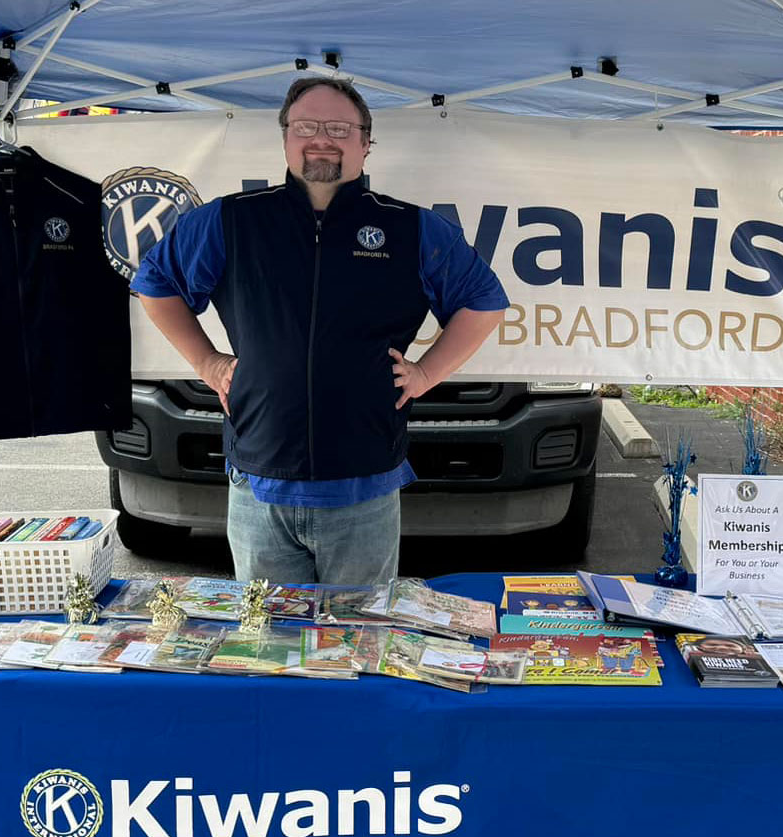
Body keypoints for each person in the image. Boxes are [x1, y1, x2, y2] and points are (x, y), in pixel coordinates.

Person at [132, 78, 508, 585]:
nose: (322, 138)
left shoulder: (410, 228)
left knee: (358, 642)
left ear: (366, 142)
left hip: (364, 487)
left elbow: (483, 302)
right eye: (306, 126)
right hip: (259, 483)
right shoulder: (232, 221)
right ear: (286, 137)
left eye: (339, 128)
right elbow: (156, 283)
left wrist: (425, 373)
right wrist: (206, 362)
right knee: (270, 647)